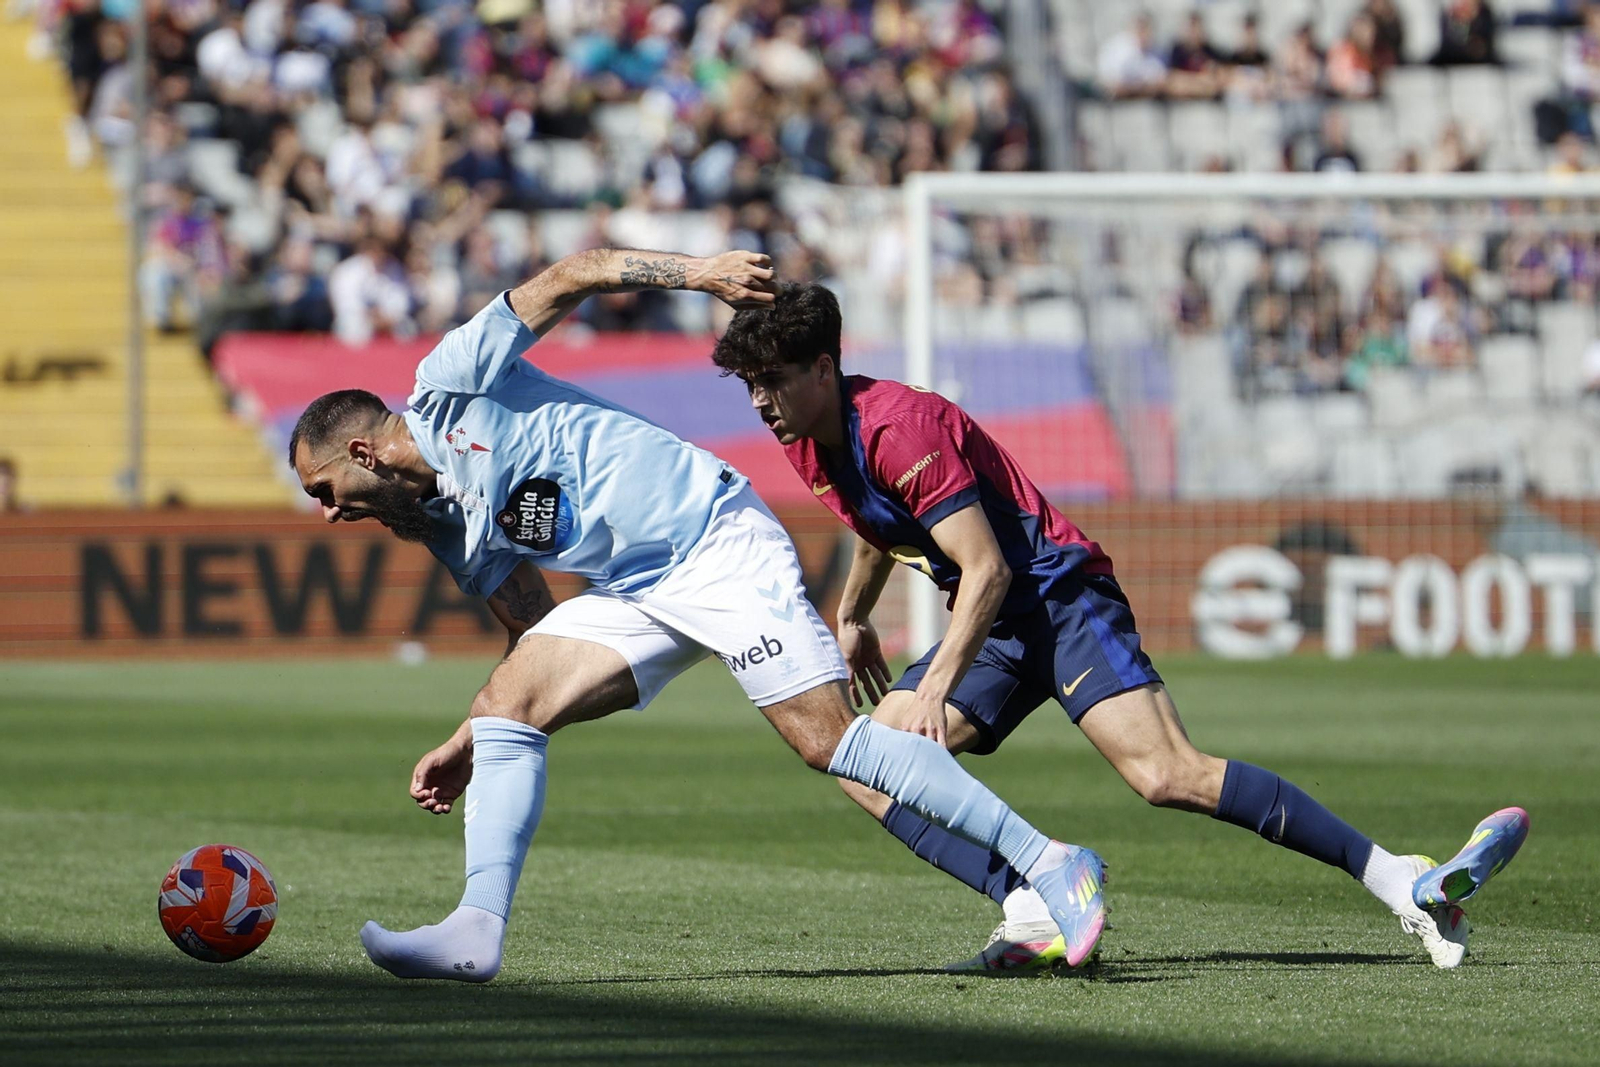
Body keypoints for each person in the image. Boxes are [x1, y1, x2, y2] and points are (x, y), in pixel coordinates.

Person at [287, 248, 1107, 983]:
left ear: (360, 454)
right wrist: (480, 736)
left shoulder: (450, 381)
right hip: (636, 585)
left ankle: (1053, 862)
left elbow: (577, 273)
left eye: (324, 492)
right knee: (508, 704)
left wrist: (700, 274)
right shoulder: (440, 523)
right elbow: (530, 632)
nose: (327, 513)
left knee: (825, 740)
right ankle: (473, 930)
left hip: (714, 540)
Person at [710, 282, 1528, 973]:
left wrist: (939, 690)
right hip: (993, 621)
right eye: (749, 385)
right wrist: (853, 613)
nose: (759, 402)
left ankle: (1402, 878)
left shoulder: (901, 426)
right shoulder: (807, 435)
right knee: (867, 764)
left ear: (824, 368)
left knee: (1166, 774)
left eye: (771, 380)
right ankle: (1030, 901)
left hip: (1056, 596)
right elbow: (877, 518)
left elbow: (991, 567)